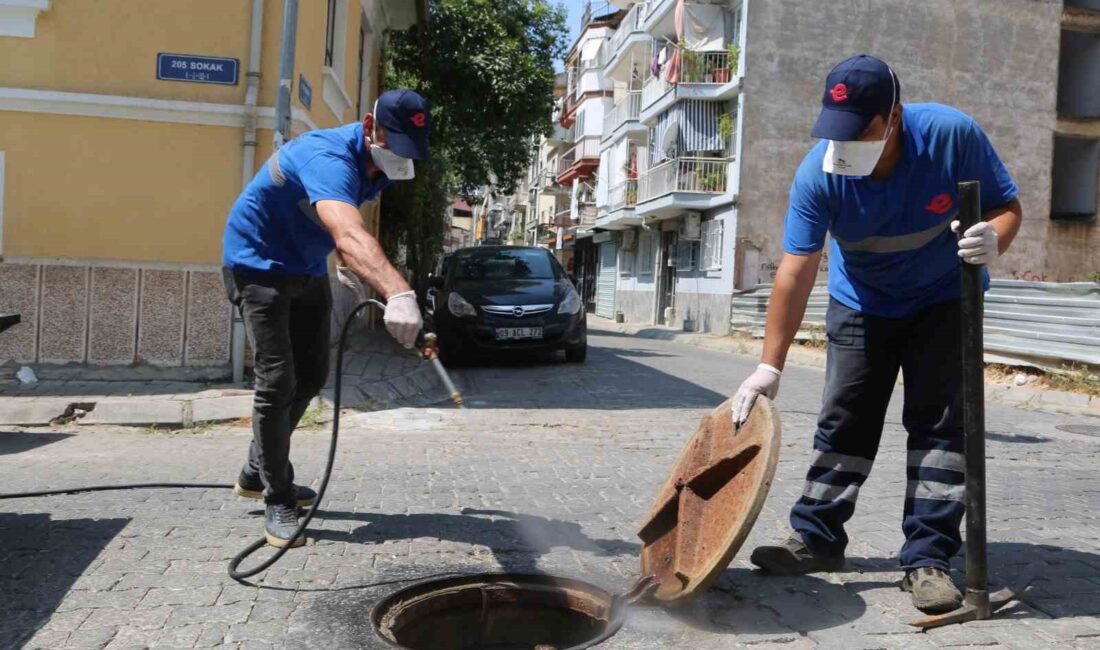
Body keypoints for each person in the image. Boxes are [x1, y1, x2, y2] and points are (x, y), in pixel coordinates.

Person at [733, 55, 1022, 614]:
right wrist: (770, 366)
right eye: (836, 132)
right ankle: (817, 537)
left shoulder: (950, 135)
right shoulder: (818, 173)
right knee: (845, 418)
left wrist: (996, 239)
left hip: (944, 299)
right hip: (860, 302)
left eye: (860, 131)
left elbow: (1007, 205)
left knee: (941, 428)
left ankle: (928, 558)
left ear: (894, 116)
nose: (845, 146)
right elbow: (796, 269)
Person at [221, 89, 431, 548]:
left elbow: (335, 217)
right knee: (277, 381)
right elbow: (348, 227)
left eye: (409, 149)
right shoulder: (327, 155)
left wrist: (345, 260)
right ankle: (277, 497)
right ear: (370, 124)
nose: (399, 156)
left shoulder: (379, 166)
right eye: (393, 142)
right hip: (256, 266)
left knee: (313, 375)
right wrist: (397, 291)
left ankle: (257, 470)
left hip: (305, 267)